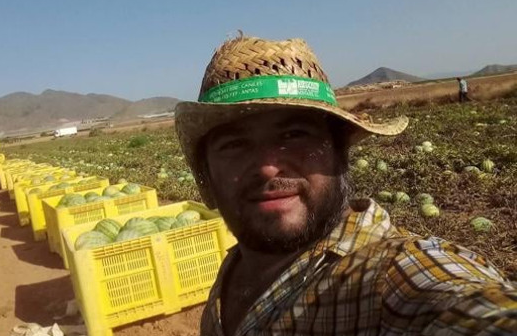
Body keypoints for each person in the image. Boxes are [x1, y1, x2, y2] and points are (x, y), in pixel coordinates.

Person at [174, 35, 517, 335]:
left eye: (294, 135)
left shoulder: (388, 278)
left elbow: (467, 306)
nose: (266, 168)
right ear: (207, 172)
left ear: (340, 152)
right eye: (234, 144)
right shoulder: (237, 266)